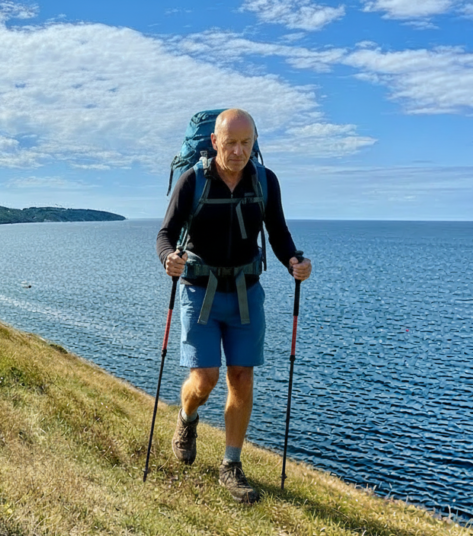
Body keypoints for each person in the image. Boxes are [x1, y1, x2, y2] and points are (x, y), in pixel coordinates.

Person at [155, 108, 312, 504]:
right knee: (204, 379)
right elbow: (166, 233)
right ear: (214, 142)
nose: (239, 151)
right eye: (231, 143)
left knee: (241, 378)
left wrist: (294, 260)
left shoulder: (264, 181)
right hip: (199, 292)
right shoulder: (192, 181)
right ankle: (187, 418)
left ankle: (231, 464)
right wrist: (167, 258)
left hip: (246, 293)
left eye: (247, 143)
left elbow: (277, 232)